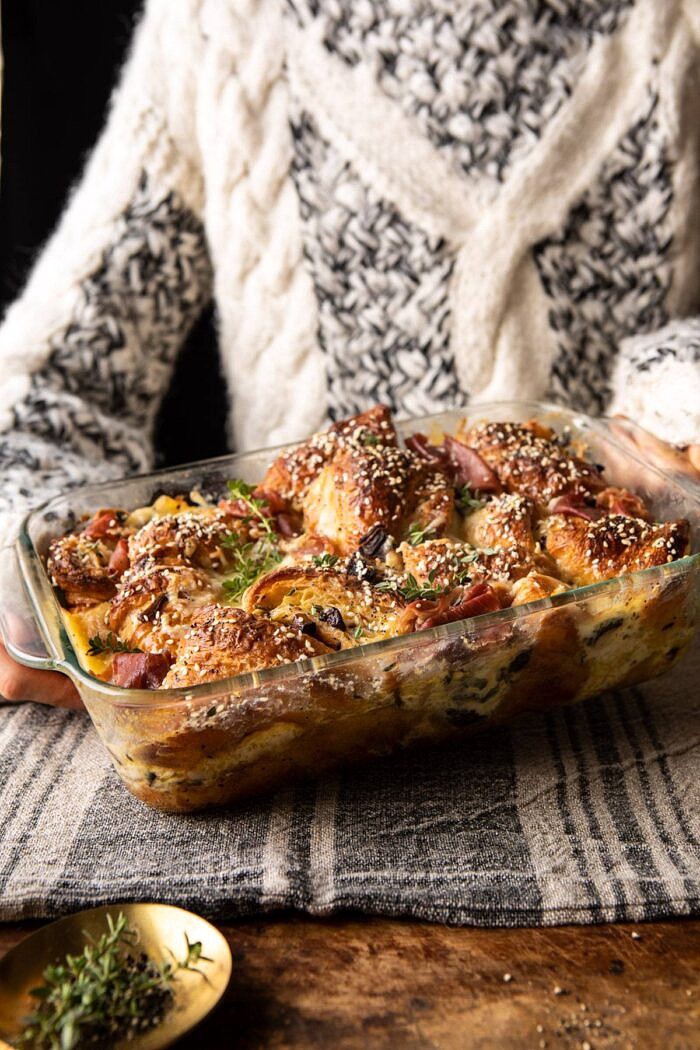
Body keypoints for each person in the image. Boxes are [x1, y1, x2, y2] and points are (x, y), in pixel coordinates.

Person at [0, 0, 699, 708]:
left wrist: (676, 408)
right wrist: (20, 577)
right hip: (265, 669)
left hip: (640, 663)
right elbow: (55, 387)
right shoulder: (216, 24)